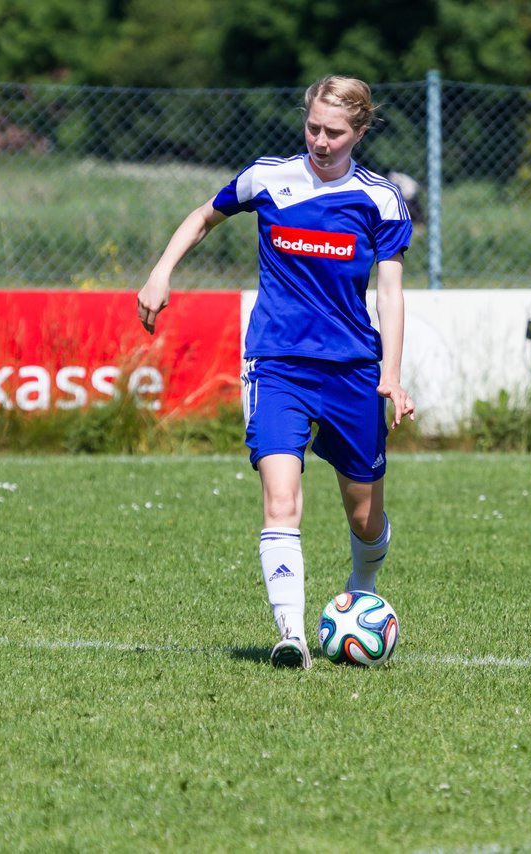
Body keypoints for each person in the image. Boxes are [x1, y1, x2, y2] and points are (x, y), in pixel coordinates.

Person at [136, 75, 415, 670]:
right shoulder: (268, 177)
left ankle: (360, 597)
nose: (320, 140)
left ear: (360, 132)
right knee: (280, 499)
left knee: (364, 516)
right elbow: (203, 217)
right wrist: (161, 272)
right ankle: (291, 635)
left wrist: (390, 375)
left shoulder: (381, 199)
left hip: (353, 370)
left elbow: (390, 296)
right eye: (312, 126)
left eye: (334, 132)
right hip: (277, 363)